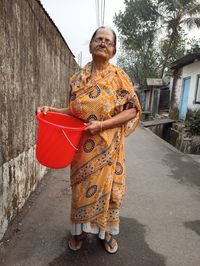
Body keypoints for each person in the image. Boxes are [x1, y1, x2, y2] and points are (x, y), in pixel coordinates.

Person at [37, 26, 142, 254]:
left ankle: (106, 234)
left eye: (108, 41)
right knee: (80, 192)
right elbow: (74, 111)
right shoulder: (77, 79)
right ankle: (80, 232)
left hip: (109, 148)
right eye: (99, 39)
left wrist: (103, 125)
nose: (103, 43)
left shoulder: (119, 77)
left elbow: (132, 110)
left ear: (113, 50)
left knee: (110, 193)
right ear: (91, 44)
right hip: (81, 149)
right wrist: (51, 109)